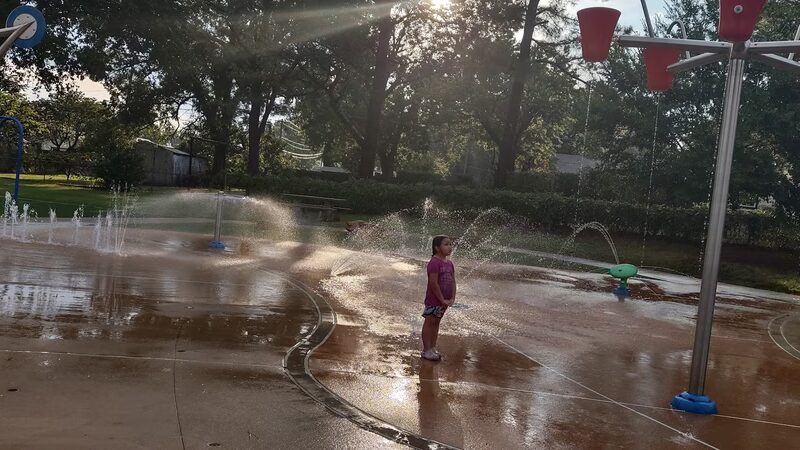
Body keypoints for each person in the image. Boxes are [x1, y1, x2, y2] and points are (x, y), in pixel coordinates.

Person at [421, 235, 456, 361]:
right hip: (434, 299)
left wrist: (452, 297)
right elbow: (433, 283)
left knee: (436, 323)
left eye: (450, 244)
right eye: (446, 244)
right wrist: (441, 299)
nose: (450, 247)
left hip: (444, 301)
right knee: (429, 322)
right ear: (436, 247)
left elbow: (453, 281)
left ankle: (432, 348)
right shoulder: (434, 263)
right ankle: (426, 350)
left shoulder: (450, 263)